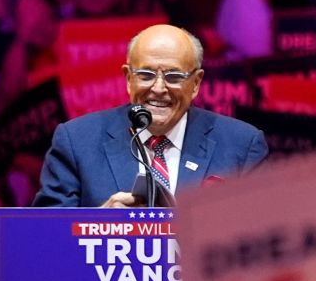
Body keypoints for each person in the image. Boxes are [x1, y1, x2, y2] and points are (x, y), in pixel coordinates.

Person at [33, 24, 267, 208]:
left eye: (173, 77)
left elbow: (262, 243)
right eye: (145, 75)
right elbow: (45, 240)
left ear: (196, 83)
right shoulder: (76, 141)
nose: (158, 88)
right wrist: (98, 224)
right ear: (128, 78)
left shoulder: (241, 146)